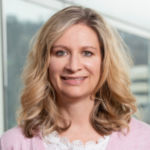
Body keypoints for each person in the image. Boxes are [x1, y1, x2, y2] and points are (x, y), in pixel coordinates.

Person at [0, 6, 150, 150]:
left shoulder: (145, 140)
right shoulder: (11, 144)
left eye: (87, 53)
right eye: (61, 53)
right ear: (45, 62)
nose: (73, 66)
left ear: (104, 62)